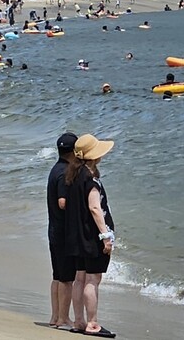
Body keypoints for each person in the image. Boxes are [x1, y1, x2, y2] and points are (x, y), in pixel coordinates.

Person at [64, 133, 117, 338]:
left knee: (80, 278)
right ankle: (92, 323)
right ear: (93, 156)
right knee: (93, 280)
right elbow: (95, 207)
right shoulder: (90, 179)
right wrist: (105, 235)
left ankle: (78, 321)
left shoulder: (73, 175)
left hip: (77, 236)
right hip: (91, 237)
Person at [46, 132, 78, 331]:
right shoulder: (65, 172)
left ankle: (55, 316)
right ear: (74, 152)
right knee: (66, 278)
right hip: (64, 232)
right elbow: (62, 201)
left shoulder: (54, 169)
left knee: (58, 276)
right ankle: (63, 318)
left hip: (53, 230)